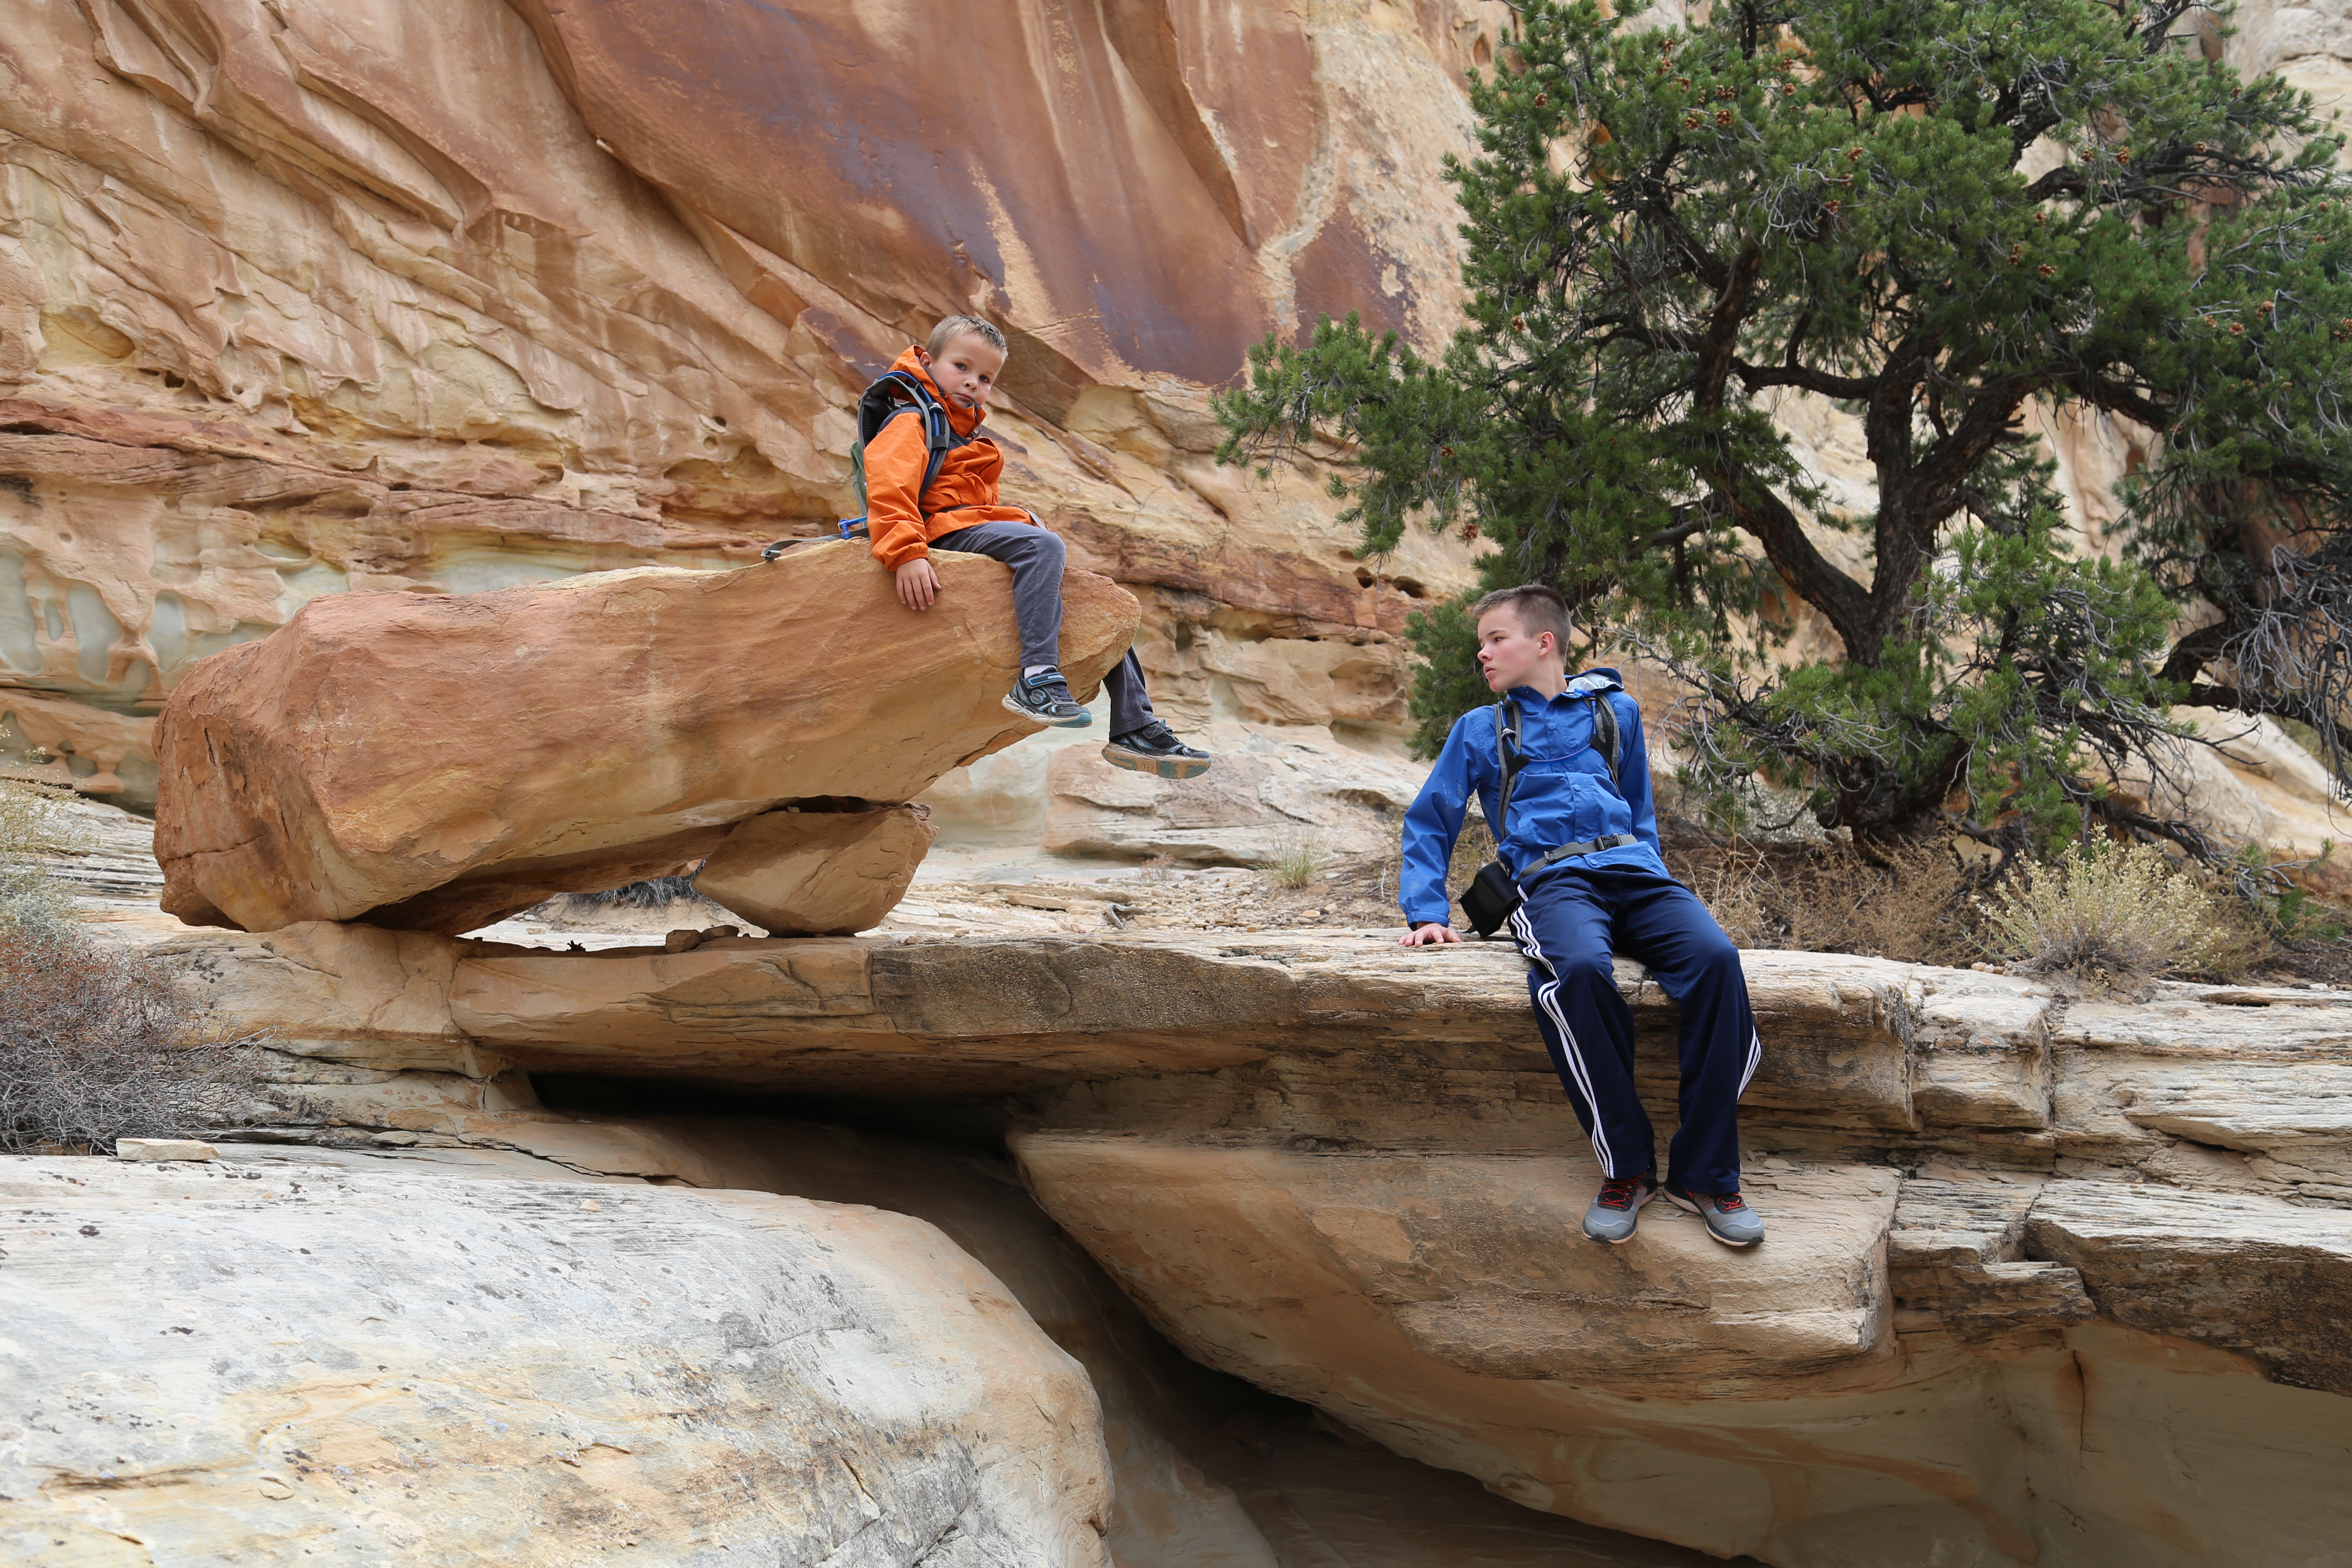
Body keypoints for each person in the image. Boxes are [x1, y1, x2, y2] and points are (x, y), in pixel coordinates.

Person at [1396, 584, 1764, 1247]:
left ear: (1544, 643)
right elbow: (1432, 819)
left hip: (1637, 877)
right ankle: (1627, 1169)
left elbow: (1640, 811)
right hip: (1551, 886)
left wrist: (1658, 887)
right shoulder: (1481, 729)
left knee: (1717, 961)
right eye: (1481, 643)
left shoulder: (1615, 711)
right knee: (1580, 973)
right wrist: (1427, 910)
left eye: (1495, 639)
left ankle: (1706, 1174)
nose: (1483, 653)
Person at [866, 314, 1211, 778]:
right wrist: (907, 555)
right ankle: (1036, 679)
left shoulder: (959, 428)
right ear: (928, 362)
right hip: (936, 532)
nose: (973, 383)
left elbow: (971, 503)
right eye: (962, 367)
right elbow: (889, 489)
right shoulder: (912, 418)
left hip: (959, 526)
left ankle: (1135, 725)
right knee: (1043, 547)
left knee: (1089, 600)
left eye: (985, 378)